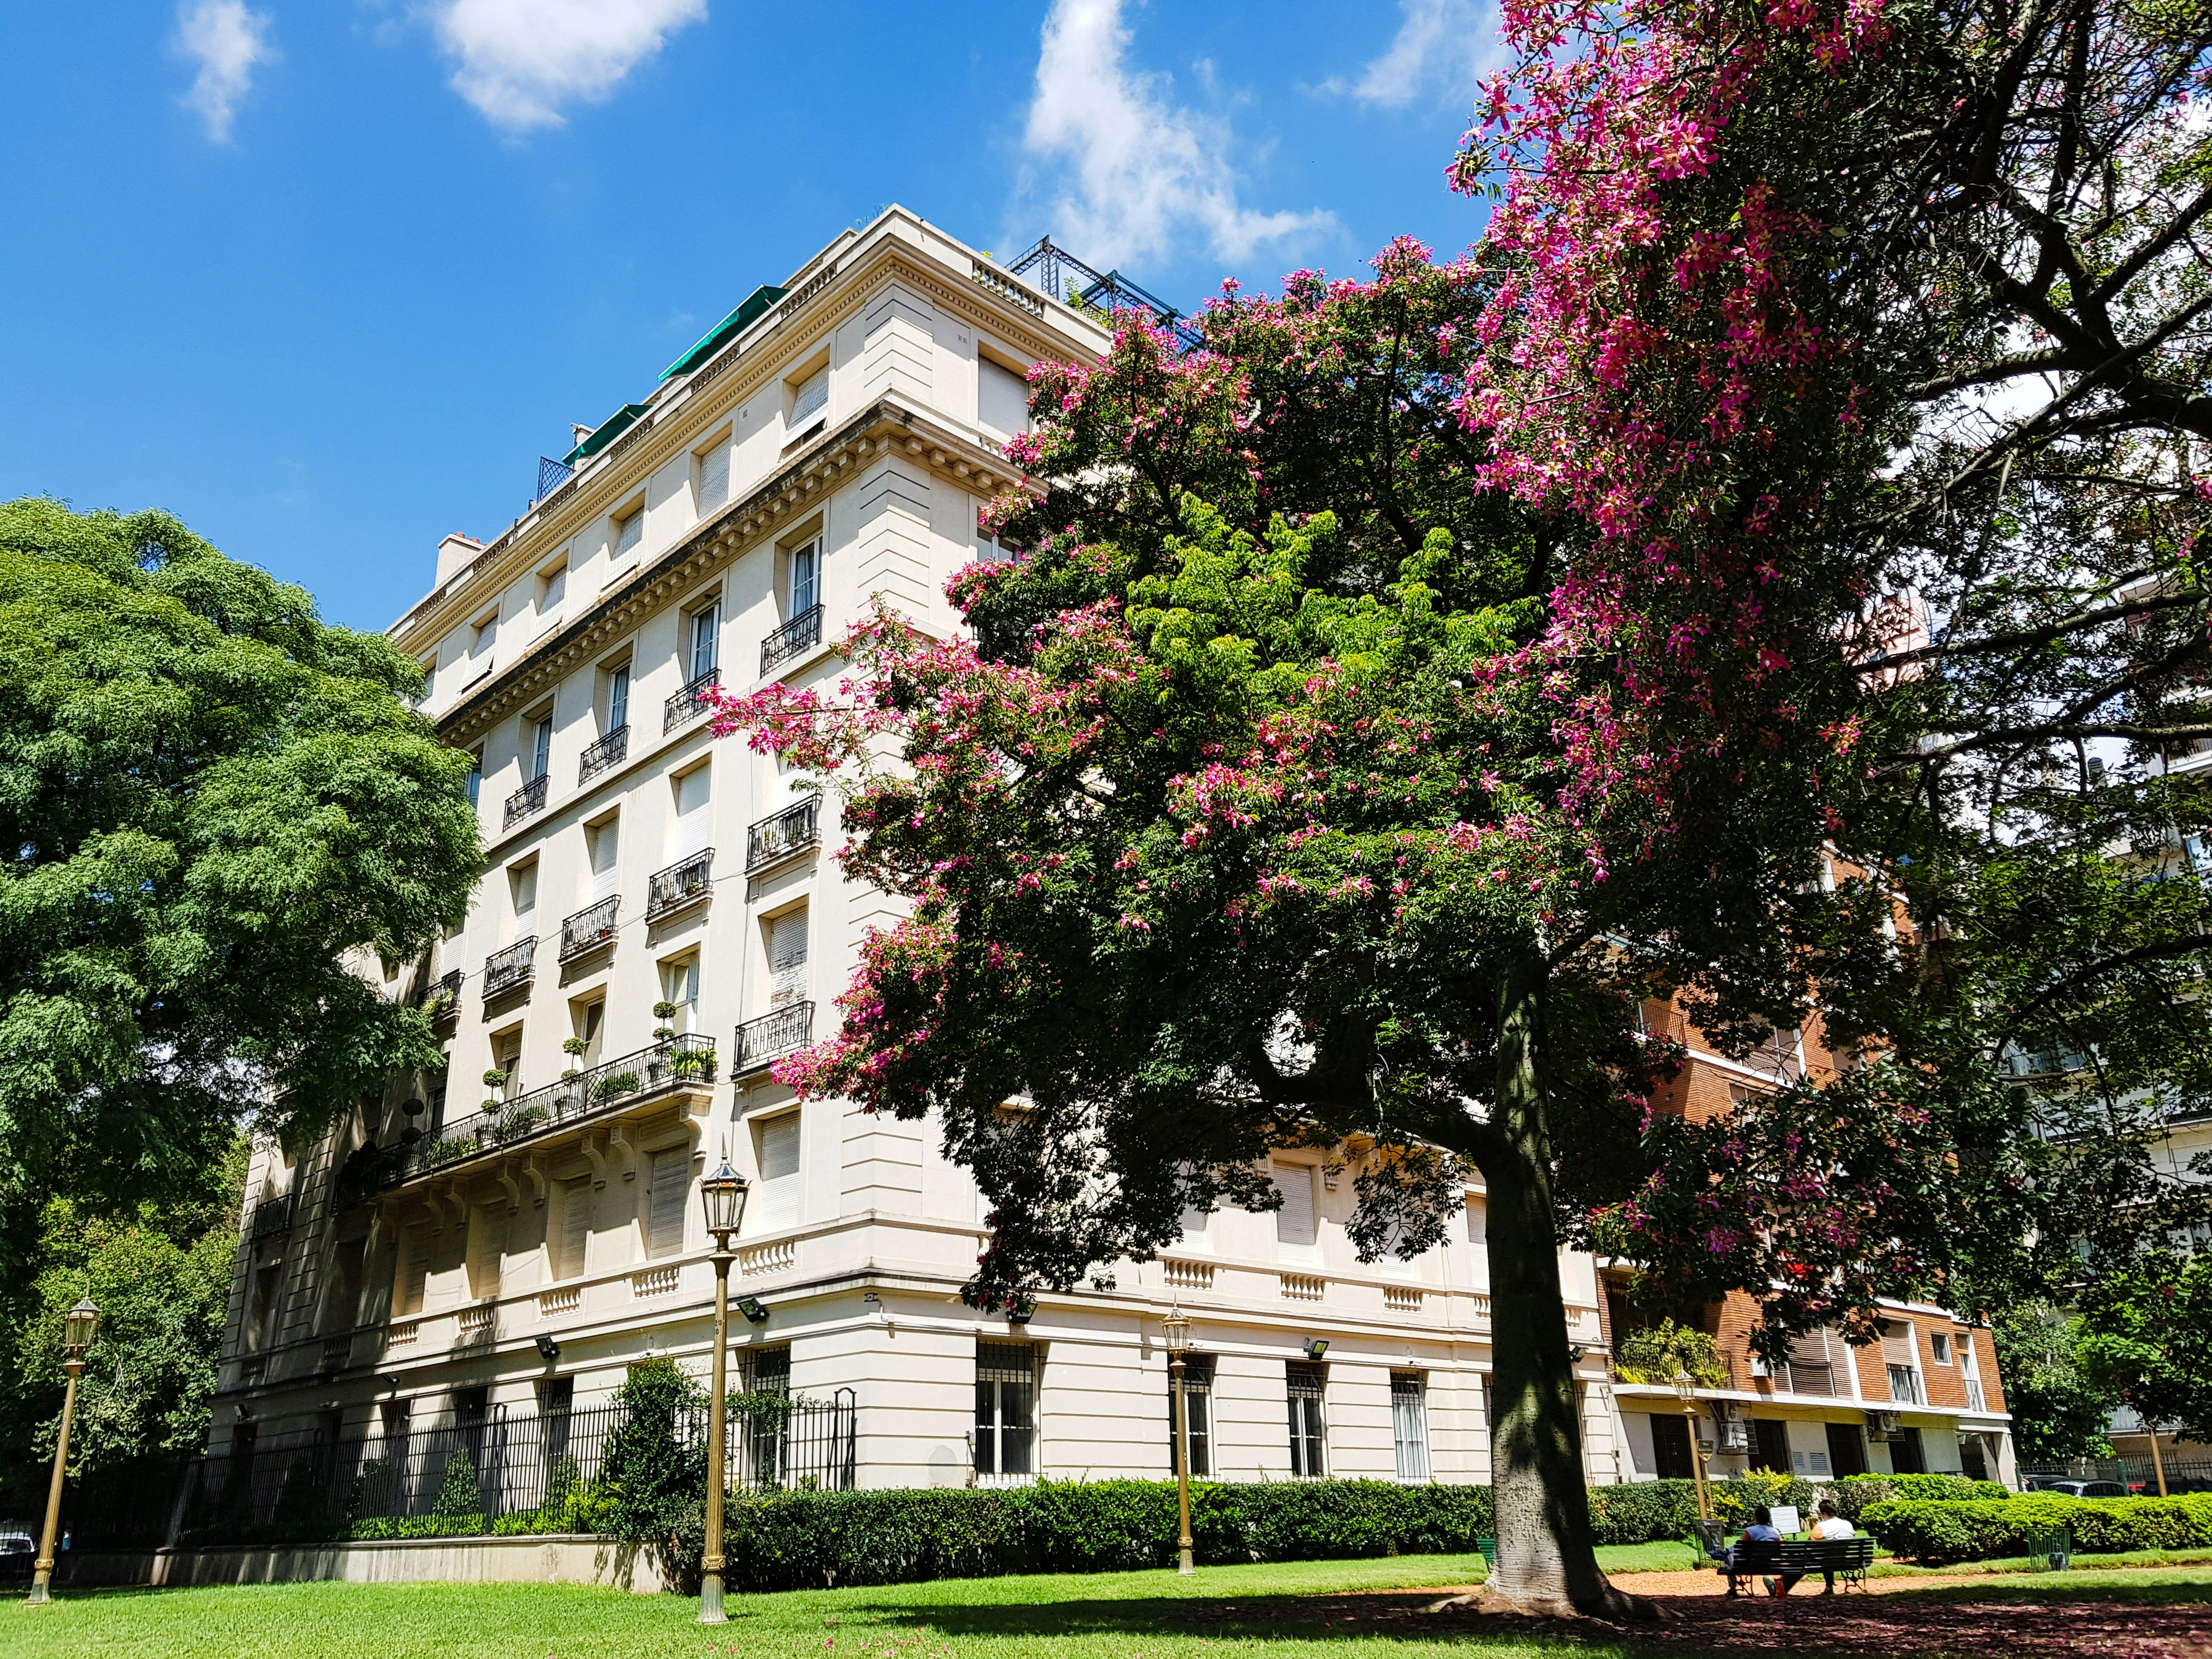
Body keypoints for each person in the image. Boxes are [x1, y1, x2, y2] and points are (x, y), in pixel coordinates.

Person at [1770, 1499, 1854, 1595]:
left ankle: (1780, 1588)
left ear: (1824, 1513)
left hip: (1823, 1562)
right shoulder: (1848, 1524)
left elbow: (1809, 1543)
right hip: (1842, 1560)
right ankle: (1829, 1587)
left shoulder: (1823, 1526)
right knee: (1828, 1556)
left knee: (1800, 1563)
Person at [1725, 1505, 1782, 1598]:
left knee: (1730, 1559)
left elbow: (1741, 1548)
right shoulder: (1775, 1532)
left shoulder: (1750, 1531)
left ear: (1755, 1517)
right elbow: (1781, 1547)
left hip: (1751, 1565)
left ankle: (1733, 1590)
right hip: (1770, 1565)